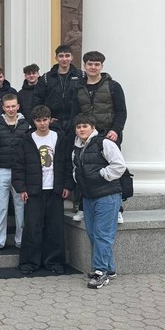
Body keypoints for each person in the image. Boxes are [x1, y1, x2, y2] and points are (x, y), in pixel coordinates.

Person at [12, 105, 74, 274]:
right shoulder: (26, 140)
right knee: (32, 228)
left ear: (50, 119)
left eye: (45, 119)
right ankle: (29, 262)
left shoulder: (59, 137)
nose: (42, 123)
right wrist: (21, 188)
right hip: (34, 191)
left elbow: (67, 163)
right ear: (34, 122)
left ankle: (54, 262)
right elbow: (18, 166)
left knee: (55, 228)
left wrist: (67, 185)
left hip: (55, 190)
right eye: (38, 120)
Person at [71, 50, 128, 223]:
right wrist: (78, 131)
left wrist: (116, 130)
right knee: (83, 169)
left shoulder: (113, 86)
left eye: (97, 64)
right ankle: (82, 207)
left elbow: (121, 111)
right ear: (84, 66)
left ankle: (117, 209)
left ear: (102, 66)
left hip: (108, 134)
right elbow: (75, 113)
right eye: (90, 64)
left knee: (114, 169)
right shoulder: (78, 88)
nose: (93, 67)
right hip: (86, 136)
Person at [71, 113, 126, 289]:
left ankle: (100, 272)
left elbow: (119, 165)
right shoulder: (77, 148)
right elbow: (76, 168)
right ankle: (110, 269)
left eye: (85, 126)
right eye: (78, 127)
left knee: (103, 234)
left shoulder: (104, 143)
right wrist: (79, 178)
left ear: (92, 127)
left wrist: (101, 175)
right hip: (89, 196)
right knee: (93, 234)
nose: (81, 129)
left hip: (107, 196)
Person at [0, 94, 29, 254]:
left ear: (18, 106)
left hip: (20, 173)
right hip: (1, 170)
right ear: (3, 108)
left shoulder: (26, 125)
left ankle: (21, 240)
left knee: (21, 207)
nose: (11, 109)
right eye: (8, 107)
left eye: (13, 106)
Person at [33, 45, 84, 136]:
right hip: (53, 123)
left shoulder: (81, 76)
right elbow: (38, 100)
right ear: (56, 58)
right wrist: (46, 118)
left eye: (67, 56)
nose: (64, 59)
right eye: (61, 56)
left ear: (71, 57)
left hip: (76, 123)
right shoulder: (46, 78)